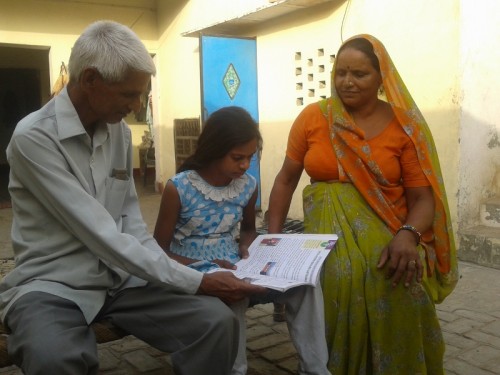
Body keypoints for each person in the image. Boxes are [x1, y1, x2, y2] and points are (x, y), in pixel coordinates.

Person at [0, 20, 265, 375]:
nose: (138, 104)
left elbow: (132, 226)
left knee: (216, 322)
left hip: (122, 280)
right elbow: (100, 234)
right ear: (91, 79)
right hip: (55, 284)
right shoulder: (34, 137)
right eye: (129, 94)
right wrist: (198, 280)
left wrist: (186, 274)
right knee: (54, 359)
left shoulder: (120, 134)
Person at [267, 34, 459, 374]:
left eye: (359, 74)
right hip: (326, 226)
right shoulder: (314, 117)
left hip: (388, 222)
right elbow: (285, 179)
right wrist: (274, 237)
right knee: (341, 275)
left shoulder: (405, 127)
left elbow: (422, 198)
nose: (347, 82)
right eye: (341, 72)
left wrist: (408, 235)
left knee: (401, 280)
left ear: (381, 77)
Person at [154, 106, 331, 375]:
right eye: (238, 157)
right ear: (214, 149)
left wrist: (251, 246)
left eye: (250, 157)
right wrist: (203, 263)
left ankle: (316, 369)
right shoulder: (179, 188)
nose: (245, 165)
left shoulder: (247, 185)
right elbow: (158, 251)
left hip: (237, 263)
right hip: (189, 268)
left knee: (306, 284)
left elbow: (248, 229)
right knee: (232, 291)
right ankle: (235, 370)